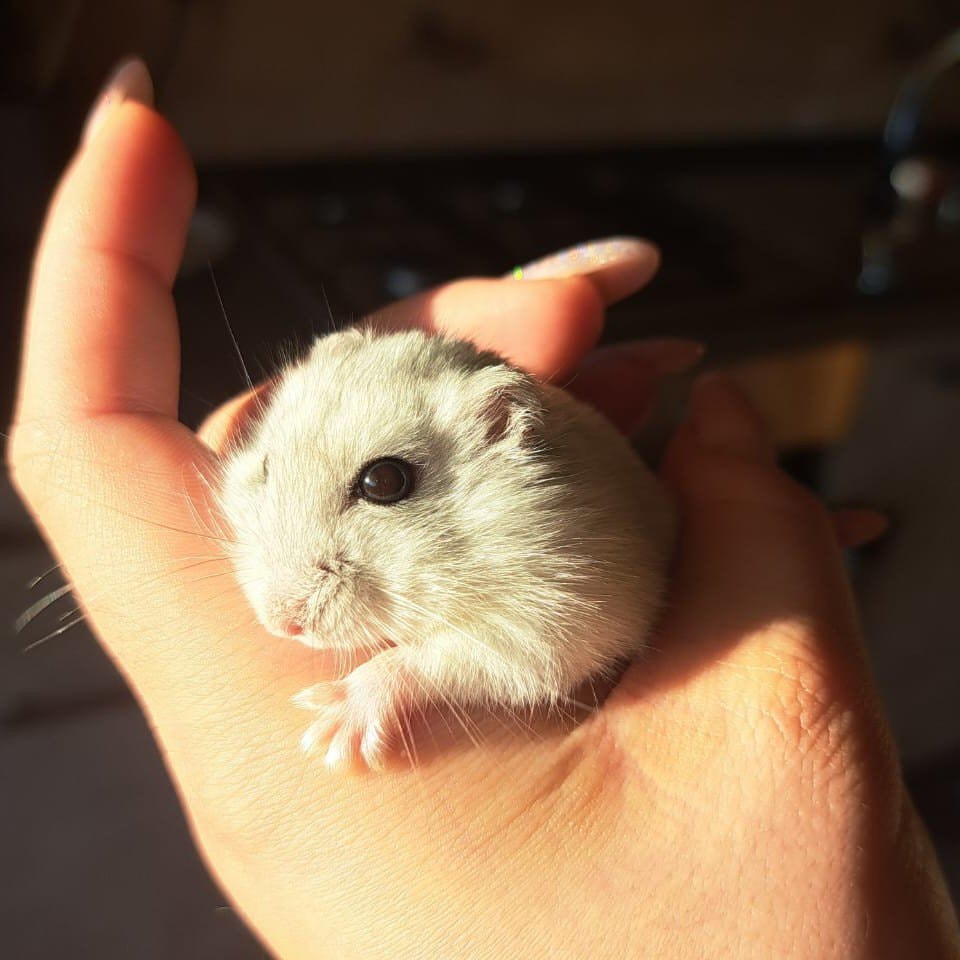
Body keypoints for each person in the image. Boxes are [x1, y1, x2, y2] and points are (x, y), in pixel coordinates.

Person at [9, 59, 959, 960]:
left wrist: (411, 676)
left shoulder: (544, 517)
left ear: (502, 432)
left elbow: (585, 631)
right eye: (261, 474)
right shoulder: (314, 442)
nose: (284, 596)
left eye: (384, 486)